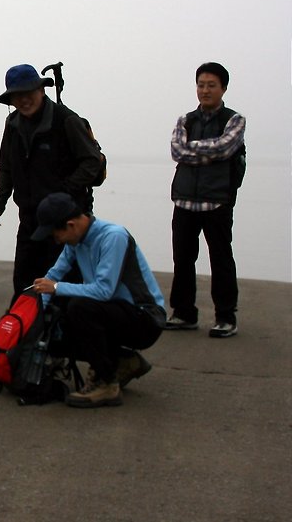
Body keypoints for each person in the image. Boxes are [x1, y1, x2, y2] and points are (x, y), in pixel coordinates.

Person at [31, 193, 166, 408]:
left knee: (80, 308)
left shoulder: (113, 237)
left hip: (146, 318)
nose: (54, 239)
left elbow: (104, 291)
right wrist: (36, 317)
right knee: (58, 320)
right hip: (115, 312)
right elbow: (53, 276)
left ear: (71, 225)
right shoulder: (76, 241)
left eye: (55, 234)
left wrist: (55, 288)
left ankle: (107, 383)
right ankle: (123, 361)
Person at [0, 64, 103, 298]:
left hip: (64, 220)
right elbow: (5, 168)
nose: (24, 100)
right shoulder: (12, 124)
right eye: (17, 96)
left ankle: (63, 332)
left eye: (28, 93)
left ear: (42, 90)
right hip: (29, 219)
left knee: (65, 285)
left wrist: (64, 192)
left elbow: (92, 162)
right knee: (24, 284)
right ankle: (28, 330)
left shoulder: (66, 120)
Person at [166, 62, 246, 338]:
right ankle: (184, 313)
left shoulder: (234, 120)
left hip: (217, 201)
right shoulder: (185, 120)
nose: (205, 90)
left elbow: (225, 147)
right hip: (184, 201)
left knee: (221, 259)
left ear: (223, 88)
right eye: (201, 84)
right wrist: (206, 152)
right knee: (183, 259)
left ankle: (225, 317)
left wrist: (193, 149)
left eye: (211, 85)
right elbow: (177, 151)